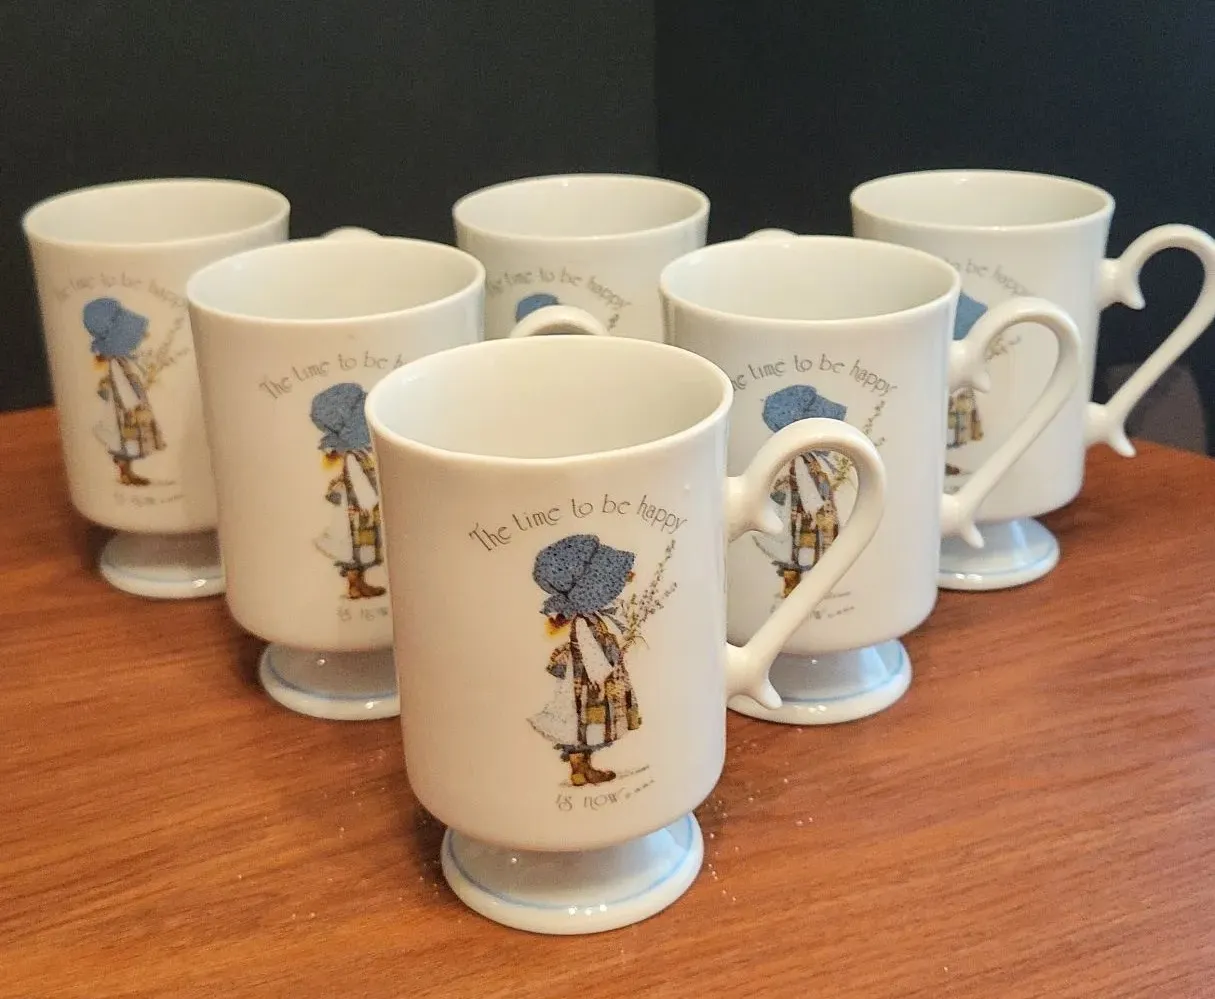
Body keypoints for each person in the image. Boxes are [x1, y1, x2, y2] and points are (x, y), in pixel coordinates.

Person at [528, 534, 641, 787]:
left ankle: (583, 770)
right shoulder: (583, 622)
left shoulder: (591, 617)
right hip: (588, 684)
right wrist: (602, 677)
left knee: (587, 728)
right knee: (582, 723)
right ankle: (579, 769)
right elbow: (590, 652)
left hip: (591, 680)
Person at [761, 384, 849, 598]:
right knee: (801, 553)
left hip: (810, 514)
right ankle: (796, 593)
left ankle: (804, 592)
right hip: (805, 517)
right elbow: (806, 487)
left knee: (806, 554)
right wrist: (818, 510)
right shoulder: (799, 460)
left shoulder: (810, 459)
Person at [310, 382, 385, 600]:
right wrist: (369, 503)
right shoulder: (355, 455)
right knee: (354, 549)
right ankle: (354, 586)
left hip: (359, 506)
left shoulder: (362, 452)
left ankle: (359, 585)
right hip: (355, 509)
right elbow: (359, 481)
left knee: (360, 550)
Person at [84, 297, 164, 486]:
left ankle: (127, 473)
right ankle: (125, 473)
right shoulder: (117, 363)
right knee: (125, 441)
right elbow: (121, 385)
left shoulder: (124, 359)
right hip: (125, 410)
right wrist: (133, 406)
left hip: (128, 405)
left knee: (127, 443)